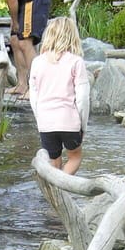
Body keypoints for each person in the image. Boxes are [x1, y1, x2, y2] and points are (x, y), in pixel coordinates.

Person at [28, 16, 89, 175]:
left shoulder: (37, 62)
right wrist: (83, 126)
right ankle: (60, 187)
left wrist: (39, 118)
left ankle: (53, 193)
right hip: (69, 120)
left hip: (45, 122)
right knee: (75, 158)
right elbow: (82, 99)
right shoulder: (76, 62)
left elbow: (34, 98)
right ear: (72, 36)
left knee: (54, 160)